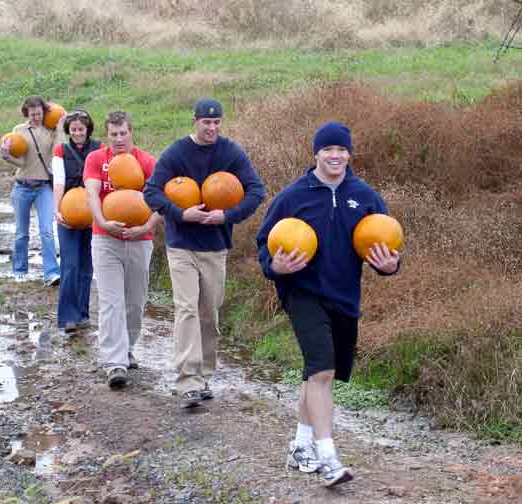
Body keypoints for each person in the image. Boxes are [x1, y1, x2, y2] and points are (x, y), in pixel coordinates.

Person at [256, 121, 401, 487]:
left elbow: (386, 246)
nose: (335, 155)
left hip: (344, 295)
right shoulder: (294, 196)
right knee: (321, 371)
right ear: (316, 153)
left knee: (319, 371)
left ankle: (300, 445)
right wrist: (274, 266)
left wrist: (391, 266)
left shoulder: (365, 196)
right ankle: (328, 458)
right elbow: (263, 243)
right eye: (327, 149)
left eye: (341, 149)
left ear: (349, 153)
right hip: (302, 291)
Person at [144, 98, 265, 409]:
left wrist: (227, 216)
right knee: (186, 309)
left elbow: (256, 191)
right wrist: (182, 214)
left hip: (215, 246)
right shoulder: (176, 152)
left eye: (216, 123)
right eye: (206, 122)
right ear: (194, 121)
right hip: (181, 244)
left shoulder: (230, 152)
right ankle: (188, 381)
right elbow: (151, 192)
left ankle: (204, 372)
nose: (211, 128)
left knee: (209, 312)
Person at [84, 111, 162, 389]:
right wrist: (103, 221)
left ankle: (127, 349)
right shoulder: (96, 159)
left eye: (123, 133)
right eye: (113, 134)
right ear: (107, 136)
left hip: (140, 238)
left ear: (131, 133)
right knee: (111, 301)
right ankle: (114, 363)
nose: (118, 139)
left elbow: (161, 201)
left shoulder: (147, 162)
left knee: (134, 301)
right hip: (105, 238)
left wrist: (146, 227)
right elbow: (91, 193)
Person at [0, 95, 63, 287]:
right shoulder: (18, 131)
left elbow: (57, 154)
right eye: (32, 114)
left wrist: (60, 129)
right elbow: (22, 162)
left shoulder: (51, 131)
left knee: (47, 231)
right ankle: (20, 270)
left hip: (44, 187)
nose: (36, 117)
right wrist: (6, 156)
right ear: (26, 113)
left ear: (44, 112)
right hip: (22, 186)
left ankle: (52, 273)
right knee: (21, 233)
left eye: (39, 113)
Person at [52, 109, 102, 334]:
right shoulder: (61, 150)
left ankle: (83, 314)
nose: (77, 133)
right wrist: (56, 209)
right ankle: (68, 317)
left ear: (88, 129)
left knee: (87, 266)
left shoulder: (100, 148)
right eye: (73, 130)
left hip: (93, 212)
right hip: (70, 211)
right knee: (70, 264)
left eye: (81, 129)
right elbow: (59, 183)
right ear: (68, 131)